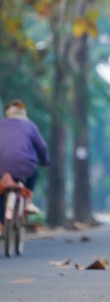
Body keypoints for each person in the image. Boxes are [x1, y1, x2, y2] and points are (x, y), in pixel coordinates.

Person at [0, 99, 51, 235]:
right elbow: (42, 147)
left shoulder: (1, 125)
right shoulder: (30, 126)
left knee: (1, 190)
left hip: (2, 167)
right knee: (34, 174)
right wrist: (45, 161)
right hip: (26, 167)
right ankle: (28, 201)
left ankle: (0, 224)